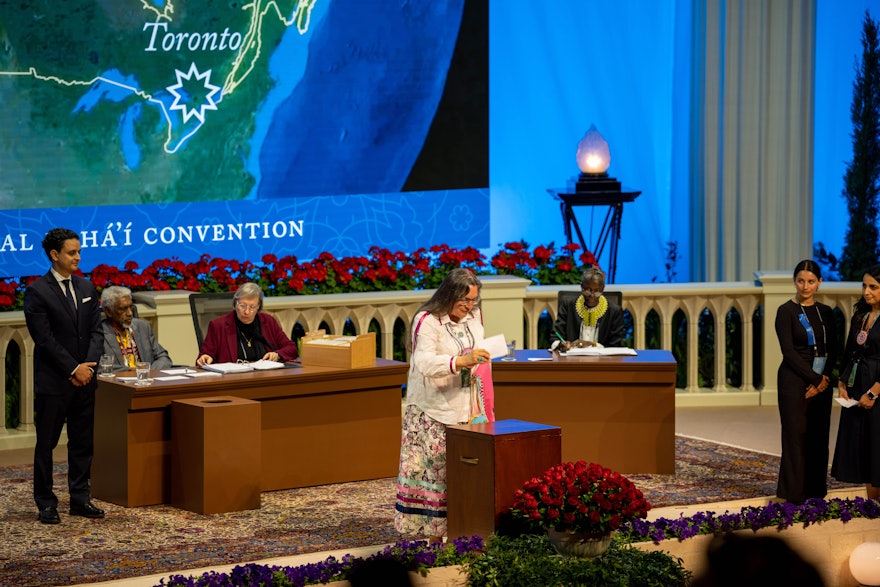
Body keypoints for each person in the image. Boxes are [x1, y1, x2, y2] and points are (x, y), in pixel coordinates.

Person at [394, 268, 491, 539]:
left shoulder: (474, 317)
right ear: (450, 295)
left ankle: (461, 531)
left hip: (464, 407)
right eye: (465, 301)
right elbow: (423, 362)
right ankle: (433, 537)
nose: (470, 306)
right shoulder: (427, 320)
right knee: (433, 476)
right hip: (431, 410)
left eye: (473, 300)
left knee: (460, 474)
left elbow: (478, 349)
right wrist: (460, 361)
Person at [24, 228, 105, 524]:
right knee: (46, 445)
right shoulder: (37, 292)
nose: (78, 257)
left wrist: (88, 367)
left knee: (83, 443)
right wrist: (74, 369)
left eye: (79, 252)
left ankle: (80, 499)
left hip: (86, 380)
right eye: (72, 253)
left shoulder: (85, 288)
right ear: (54, 255)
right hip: (55, 383)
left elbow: (97, 331)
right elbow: (44, 339)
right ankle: (46, 503)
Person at [774, 259, 837, 504]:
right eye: (801, 281)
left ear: (819, 282)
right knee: (796, 436)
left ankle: (816, 491)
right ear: (795, 281)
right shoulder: (785, 311)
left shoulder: (827, 312)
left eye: (811, 281)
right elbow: (788, 352)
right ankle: (794, 495)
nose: (805, 286)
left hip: (822, 380)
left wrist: (823, 382)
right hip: (794, 380)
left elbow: (833, 348)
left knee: (819, 437)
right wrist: (814, 380)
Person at [831, 264, 880, 500]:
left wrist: (873, 393)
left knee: (877, 445)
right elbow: (850, 350)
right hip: (857, 382)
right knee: (864, 447)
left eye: (874, 287)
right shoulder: (860, 316)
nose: (867, 291)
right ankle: (872, 504)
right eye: (864, 286)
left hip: (876, 386)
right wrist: (842, 381)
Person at [196, 282, 298, 366]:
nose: (247, 311)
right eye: (242, 305)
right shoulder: (219, 325)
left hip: (265, 378)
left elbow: (291, 348)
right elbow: (204, 357)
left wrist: (277, 355)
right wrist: (205, 358)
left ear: (259, 307)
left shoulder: (268, 322)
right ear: (235, 304)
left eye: (252, 307)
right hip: (232, 382)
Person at [100, 286, 172, 371]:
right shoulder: (99, 333)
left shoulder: (143, 327)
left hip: (146, 381)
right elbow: (99, 367)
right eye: (123, 309)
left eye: (130, 307)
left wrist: (148, 372)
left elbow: (163, 357)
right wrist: (132, 372)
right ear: (109, 311)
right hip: (118, 383)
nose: (130, 313)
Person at [552, 267, 625, 349]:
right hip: (571, 359)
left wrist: (593, 345)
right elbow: (555, 336)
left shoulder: (614, 311)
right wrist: (561, 344)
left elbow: (615, 345)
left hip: (602, 360)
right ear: (581, 286)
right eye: (587, 290)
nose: (592, 295)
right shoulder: (568, 306)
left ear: (603, 289)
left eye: (597, 291)